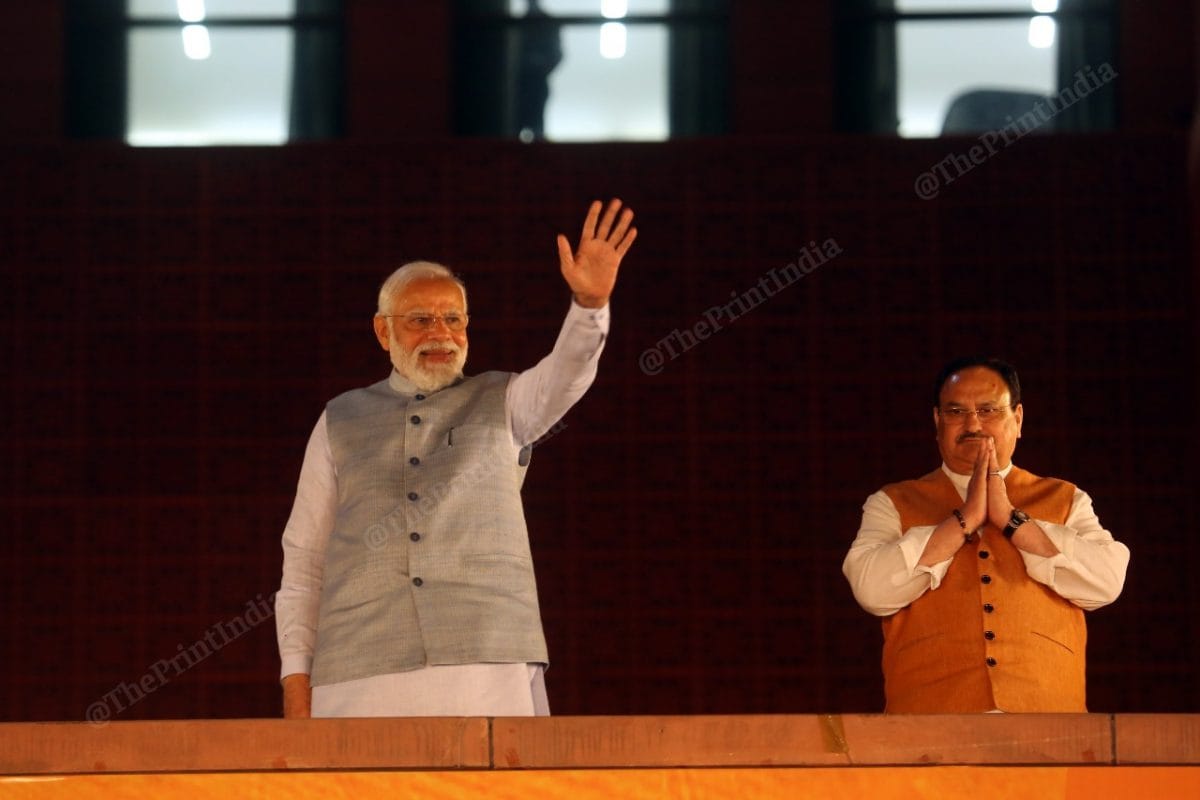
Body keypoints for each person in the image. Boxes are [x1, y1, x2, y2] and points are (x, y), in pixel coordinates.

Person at [275, 199, 637, 718]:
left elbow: (569, 375)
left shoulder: (506, 401)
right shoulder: (340, 419)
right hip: (356, 669)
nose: (440, 334)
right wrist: (295, 682)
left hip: (488, 661)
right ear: (383, 331)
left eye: (453, 319)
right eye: (420, 320)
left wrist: (589, 304)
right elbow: (304, 561)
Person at [842, 357, 1129, 713]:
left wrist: (1011, 520)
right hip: (928, 726)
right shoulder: (891, 502)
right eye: (956, 411)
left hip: (1050, 725)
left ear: (1018, 419)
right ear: (937, 421)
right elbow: (873, 591)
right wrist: (964, 519)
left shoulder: (1067, 499)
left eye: (988, 410)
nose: (972, 424)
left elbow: (1107, 581)